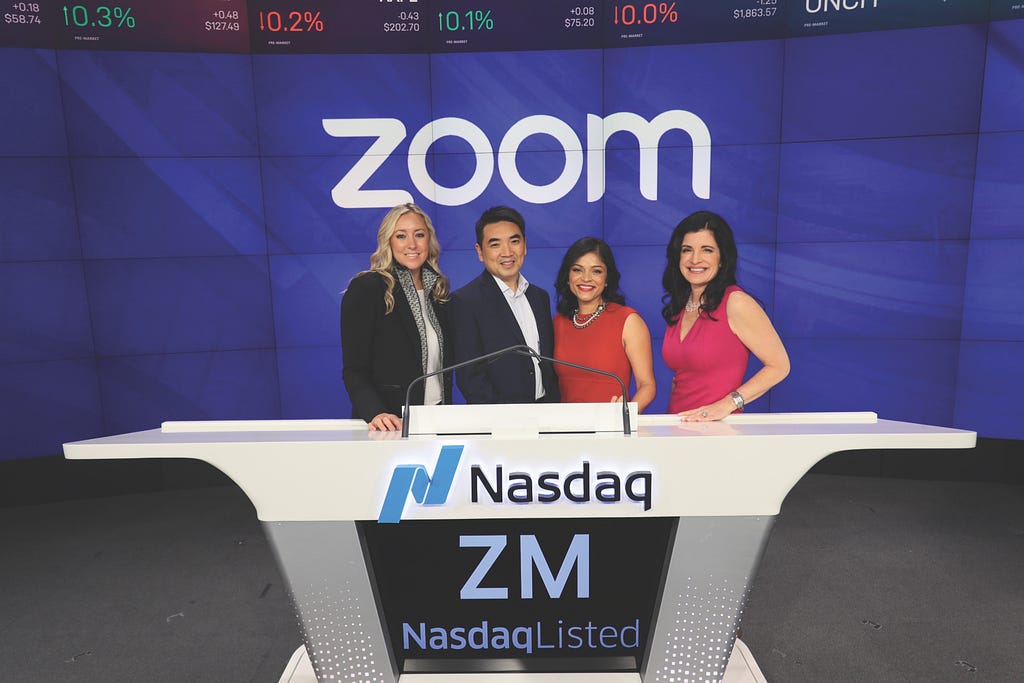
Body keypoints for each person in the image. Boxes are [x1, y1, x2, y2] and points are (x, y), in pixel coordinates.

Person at [661, 211, 789, 421]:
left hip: (718, 432)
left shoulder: (736, 302)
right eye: (687, 250)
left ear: (722, 258)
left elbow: (780, 366)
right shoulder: (682, 306)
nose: (695, 259)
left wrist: (727, 404)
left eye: (707, 250)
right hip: (675, 428)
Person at [340, 203, 451, 431]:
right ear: (388, 241)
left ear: (429, 240)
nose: (412, 244)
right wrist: (375, 412)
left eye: (419, 235)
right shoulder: (368, 288)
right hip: (389, 424)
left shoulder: (437, 292)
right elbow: (354, 369)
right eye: (401, 236)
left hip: (436, 419)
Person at [451, 206, 560, 404]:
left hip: (547, 415)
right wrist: (506, 421)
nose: (507, 252)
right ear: (480, 252)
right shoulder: (466, 301)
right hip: (500, 423)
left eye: (514, 241)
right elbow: (470, 378)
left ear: (524, 245)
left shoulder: (539, 297)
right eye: (495, 244)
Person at [552, 237, 656, 412]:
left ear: (607, 278)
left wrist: (627, 412)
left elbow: (647, 385)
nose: (586, 278)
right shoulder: (558, 322)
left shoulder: (628, 320)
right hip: (565, 429)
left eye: (596, 271)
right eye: (577, 270)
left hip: (610, 431)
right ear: (568, 277)